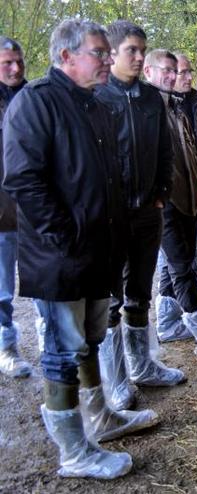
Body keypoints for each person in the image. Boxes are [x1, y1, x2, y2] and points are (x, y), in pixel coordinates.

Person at [3, 19, 159, 479]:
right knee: (60, 350)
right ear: (66, 56)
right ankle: (74, 451)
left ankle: (101, 419)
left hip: (98, 250)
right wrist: (66, 235)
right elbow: (23, 180)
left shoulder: (93, 104)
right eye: (99, 52)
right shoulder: (36, 102)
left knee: (90, 339)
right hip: (61, 256)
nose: (108, 59)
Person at [94, 21, 184, 413]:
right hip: (110, 217)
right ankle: (116, 383)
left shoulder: (151, 98)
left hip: (149, 212)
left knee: (139, 294)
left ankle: (143, 365)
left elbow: (166, 150)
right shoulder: (97, 97)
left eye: (142, 50)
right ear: (112, 53)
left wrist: (162, 193)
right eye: (132, 50)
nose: (139, 57)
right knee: (109, 300)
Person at [144, 49, 197, 364]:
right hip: (163, 202)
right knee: (182, 266)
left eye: (187, 72)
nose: (187, 77)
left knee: (178, 263)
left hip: (191, 196)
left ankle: (167, 323)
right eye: (181, 73)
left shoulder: (188, 105)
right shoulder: (150, 108)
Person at [0, 36, 31, 378]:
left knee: (46, 287)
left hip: (36, 211)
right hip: (2, 215)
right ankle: (6, 347)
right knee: (3, 290)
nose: (15, 68)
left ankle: (57, 349)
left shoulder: (34, 97)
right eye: (7, 62)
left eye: (18, 61)